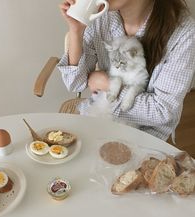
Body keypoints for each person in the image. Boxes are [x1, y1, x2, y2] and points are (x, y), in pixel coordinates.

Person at [57, 0, 195, 141]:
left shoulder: (183, 32)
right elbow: (74, 83)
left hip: (147, 135)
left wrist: (108, 85)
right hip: (101, 115)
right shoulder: (101, 17)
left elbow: (162, 112)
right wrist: (76, 31)